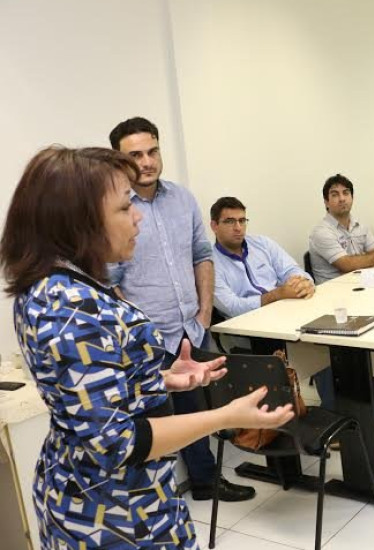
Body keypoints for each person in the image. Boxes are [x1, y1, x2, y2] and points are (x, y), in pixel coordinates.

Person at [0, 146, 294, 549]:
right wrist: (224, 416)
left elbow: (93, 395)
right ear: (79, 221)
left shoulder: (63, 287)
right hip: (111, 516)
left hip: (122, 499)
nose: (137, 216)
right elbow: (118, 441)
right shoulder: (68, 309)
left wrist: (160, 380)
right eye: (124, 208)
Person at [108, 117, 255, 502]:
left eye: (152, 151)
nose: (147, 161)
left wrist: (204, 313)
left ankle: (206, 481)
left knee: (195, 409)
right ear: (118, 159)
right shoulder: (115, 209)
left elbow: (202, 255)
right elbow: (109, 281)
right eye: (135, 154)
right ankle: (154, 497)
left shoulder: (182, 199)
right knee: (152, 418)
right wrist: (137, 329)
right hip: (145, 337)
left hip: (190, 327)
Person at [210, 196, 337, 409]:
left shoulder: (263, 244)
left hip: (284, 314)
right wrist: (276, 295)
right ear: (214, 226)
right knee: (306, 348)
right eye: (230, 221)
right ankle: (285, 413)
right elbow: (231, 307)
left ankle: (332, 411)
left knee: (325, 340)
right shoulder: (209, 262)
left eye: (242, 220)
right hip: (248, 329)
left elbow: (292, 270)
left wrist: (302, 282)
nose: (238, 227)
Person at [309, 174, 374, 284]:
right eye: (335, 195)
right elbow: (347, 265)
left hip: (359, 284)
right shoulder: (321, 232)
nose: (342, 199)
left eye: (346, 193)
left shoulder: (361, 226)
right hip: (334, 291)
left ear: (352, 197)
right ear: (326, 202)